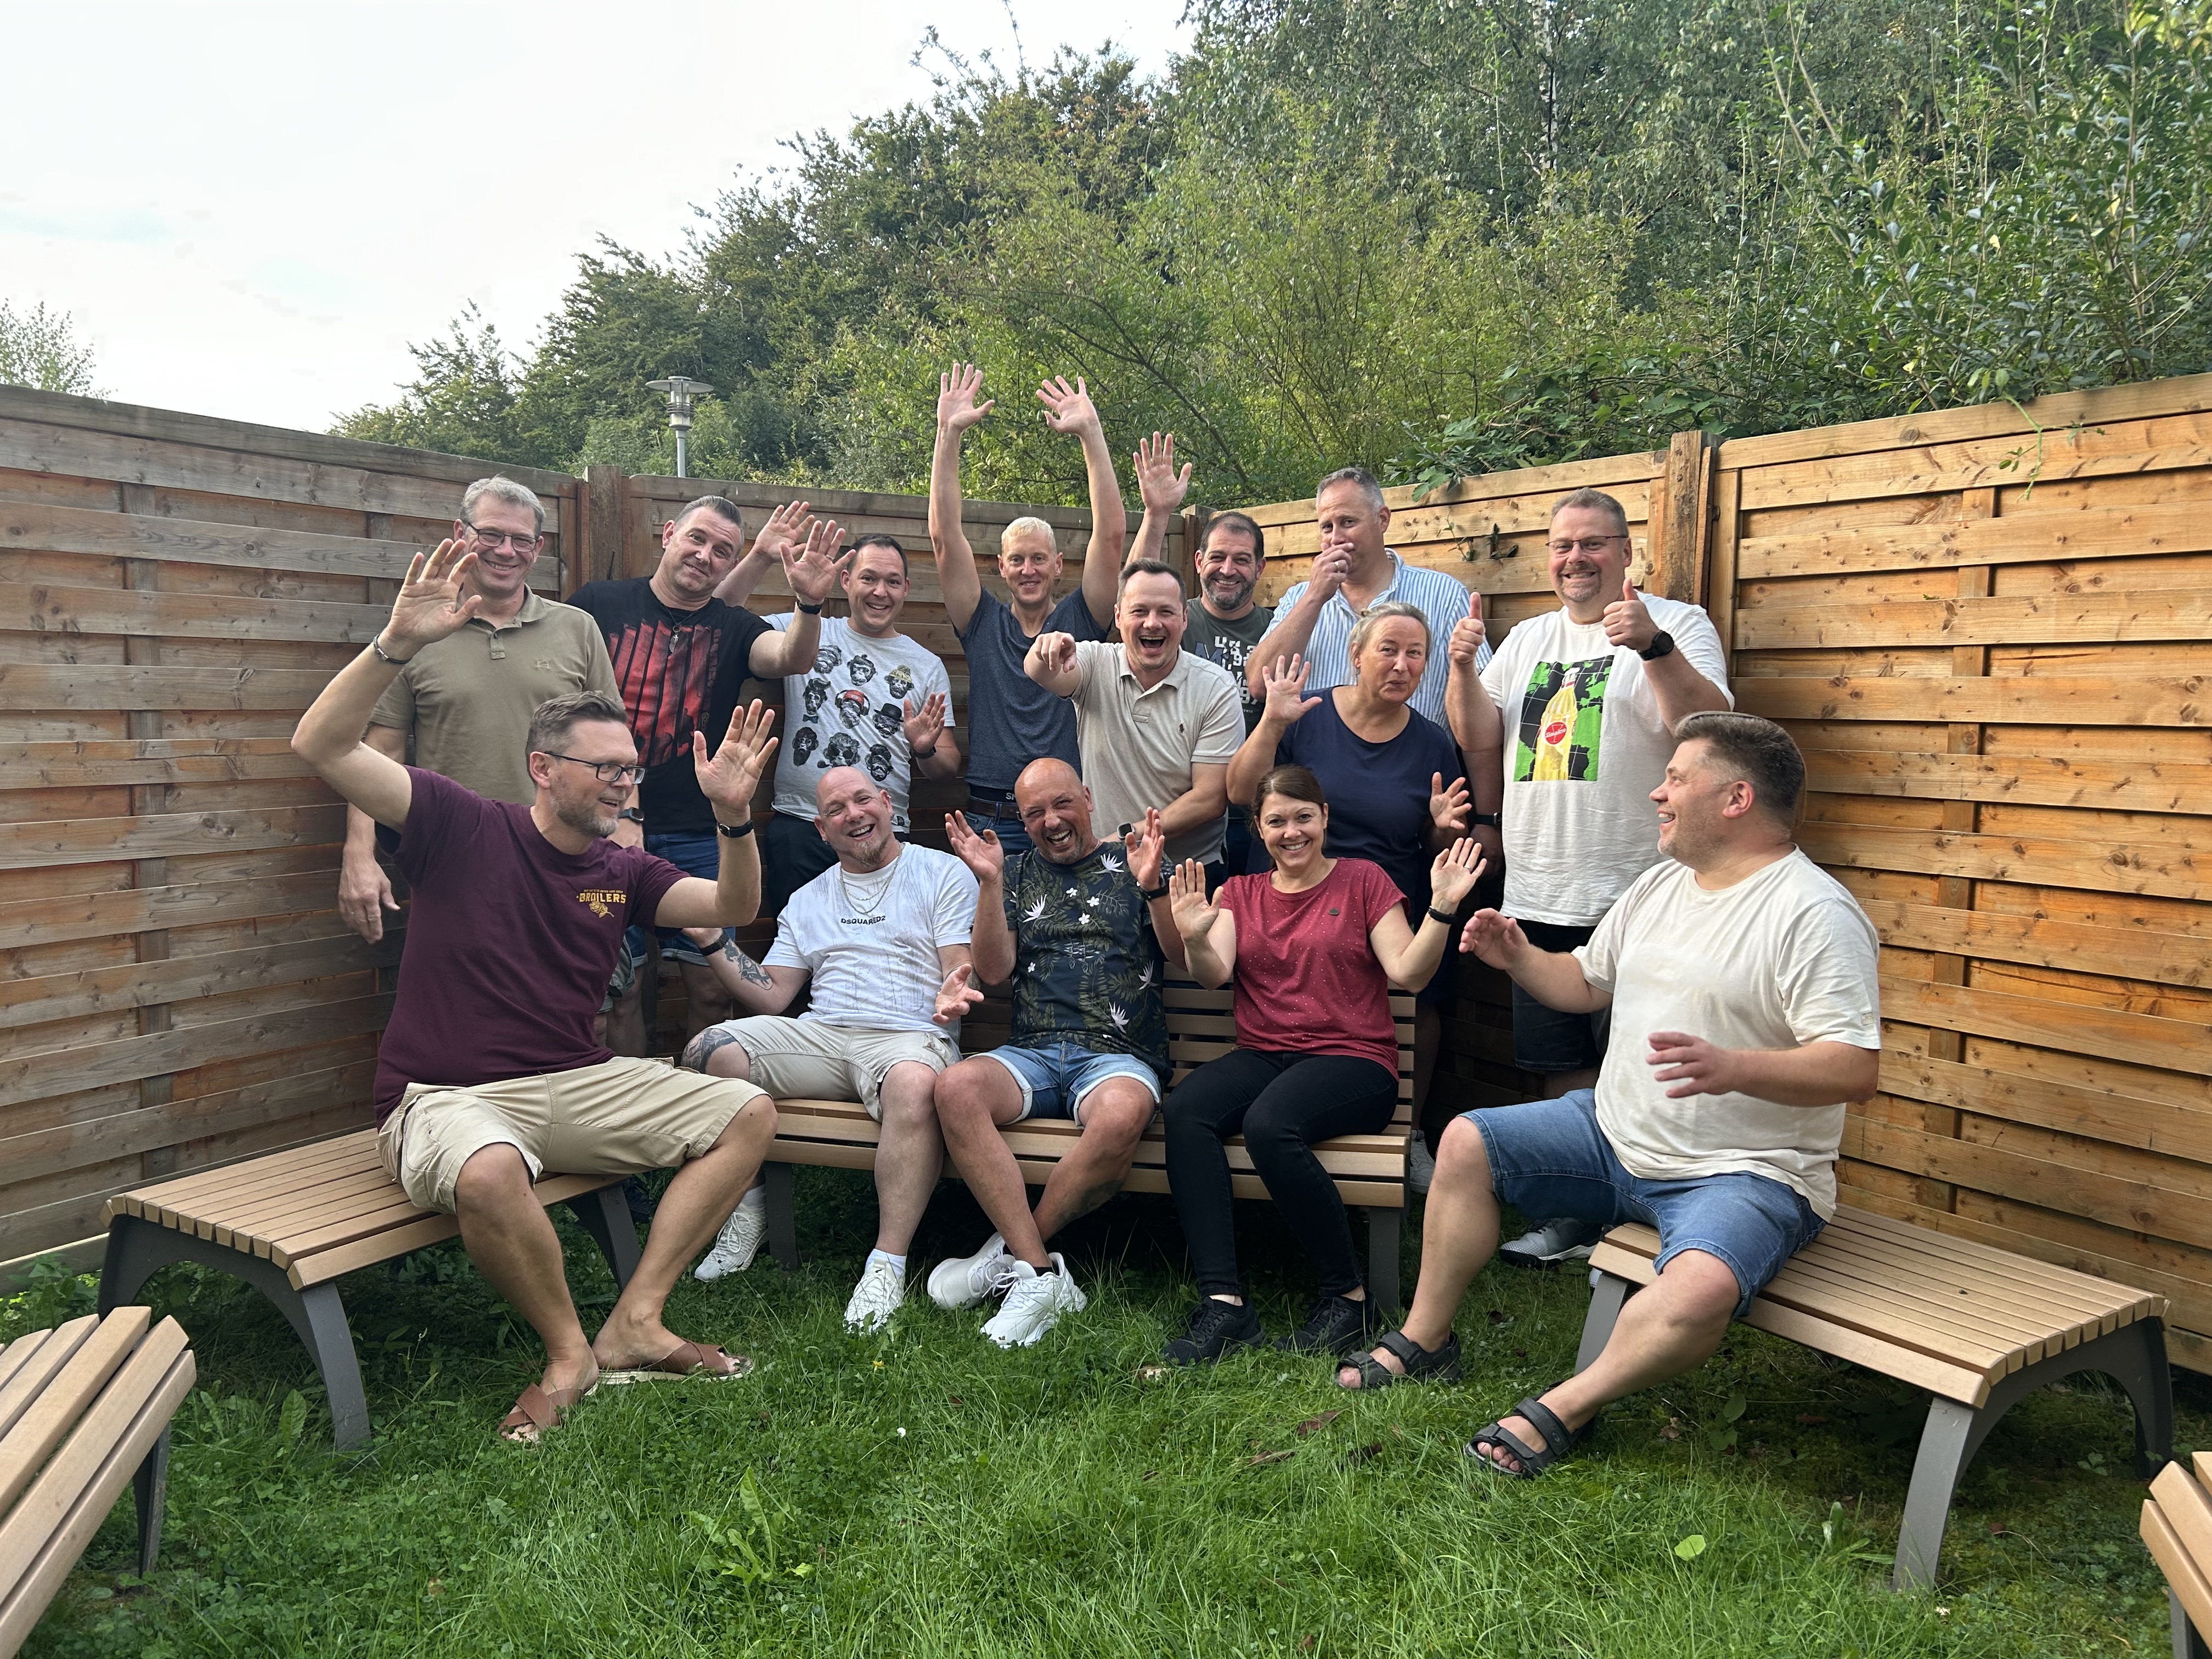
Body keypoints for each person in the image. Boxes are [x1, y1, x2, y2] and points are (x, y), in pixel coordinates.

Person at [290, 538, 783, 1442]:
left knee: (746, 1112)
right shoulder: (457, 823)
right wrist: (395, 645)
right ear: (544, 768)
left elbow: (731, 907)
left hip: (569, 1080)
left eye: (631, 769)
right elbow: (319, 744)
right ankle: (569, 1355)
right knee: (488, 1170)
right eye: (607, 769)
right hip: (444, 1095)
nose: (624, 784)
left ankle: (636, 1322)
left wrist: (732, 817)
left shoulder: (623, 869)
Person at [1336, 715, 1881, 1485]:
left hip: (1743, 1169)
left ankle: (1570, 1403)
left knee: (1702, 1287)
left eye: (1677, 778)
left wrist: (1736, 1067)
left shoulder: (1812, 913)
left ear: (1736, 798)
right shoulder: (1662, 883)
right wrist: (1519, 956)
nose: (1658, 792)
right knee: (1464, 1141)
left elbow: (1855, 1067)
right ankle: (1427, 1338)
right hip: (1612, 1134)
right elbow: (1585, 983)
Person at [1443, 486, 1732, 1266]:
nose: (1576, 558)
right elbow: (1479, 734)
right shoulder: (1528, 638)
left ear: (1627, 551)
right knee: (1558, 1067)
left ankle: (1652, 1212)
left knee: (1641, 1064)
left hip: (1642, 891)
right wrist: (1463, 668)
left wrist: (1653, 647)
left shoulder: (1677, 624)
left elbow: (1708, 729)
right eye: (1564, 545)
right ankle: (1573, 1218)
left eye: (1594, 542)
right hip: (1540, 887)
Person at [1158, 765, 1488, 1363]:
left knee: (1269, 1124)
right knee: (1186, 1111)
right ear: (1259, 829)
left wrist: (1441, 908)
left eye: (1303, 817)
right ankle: (1224, 1303)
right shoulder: (1241, 894)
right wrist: (1197, 938)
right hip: (1266, 1054)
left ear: (1325, 817)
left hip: (1355, 1062)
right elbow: (1214, 974)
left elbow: (1409, 973)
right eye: (1277, 821)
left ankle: (1347, 1297)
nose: (1292, 832)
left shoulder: (1363, 881)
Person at [680, 767, 980, 1333]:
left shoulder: (942, 873)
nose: (854, 815)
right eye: (836, 810)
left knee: (916, 1083)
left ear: (887, 803)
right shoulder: (807, 898)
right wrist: (714, 941)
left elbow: (957, 963)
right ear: (821, 829)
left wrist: (954, 989)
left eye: (863, 800)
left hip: (908, 1037)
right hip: (824, 1037)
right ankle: (748, 1205)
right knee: (710, 1048)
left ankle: (886, 1263)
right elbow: (773, 995)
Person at [569, 497, 847, 1047]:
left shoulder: (735, 625)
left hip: (700, 834)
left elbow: (790, 657)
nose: (705, 555)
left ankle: (702, 1090)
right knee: (621, 991)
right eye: (697, 538)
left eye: (723, 550)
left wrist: (809, 604)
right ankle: (636, 1095)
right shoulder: (599, 603)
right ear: (669, 534)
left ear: (731, 564)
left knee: (713, 988)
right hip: (604, 828)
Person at [924, 770, 1182, 1347]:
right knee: (955, 1088)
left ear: (1088, 799)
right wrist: (990, 882)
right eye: (1035, 813)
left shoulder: (1137, 862)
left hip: (1118, 1054)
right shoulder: (1015, 873)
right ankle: (1041, 1275)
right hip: (1033, 1052)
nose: (1052, 821)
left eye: (1062, 803)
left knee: (1120, 1115)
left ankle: (1007, 1256)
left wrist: (1155, 889)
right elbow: (994, 971)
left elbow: (1181, 955)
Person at [1227, 600, 1484, 1115]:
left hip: (1383, 906)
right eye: (1388, 650)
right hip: (1292, 900)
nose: (1402, 665)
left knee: (1419, 1005)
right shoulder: (1306, 714)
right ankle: (1283, 1108)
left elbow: (1434, 848)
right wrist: (1272, 723)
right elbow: (1240, 793)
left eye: (1416, 654)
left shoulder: (1432, 742)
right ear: (1356, 655)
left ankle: (1410, 1131)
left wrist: (1439, 827)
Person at [338, 476, 618, 944]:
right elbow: (380, 752)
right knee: (458, 984)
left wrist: (627, 827)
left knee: (577, 987)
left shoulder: (578, 629)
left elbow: (614, 750)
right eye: (491, 534)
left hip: (565, 854)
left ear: (538, 548)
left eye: (521, 540)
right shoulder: (415, 632)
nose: (506, 551)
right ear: (460, 533)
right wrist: (359, 853)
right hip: (451, 856)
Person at [930, 362, 1128, 855]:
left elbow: (1110, 537)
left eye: (1039, 559)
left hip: (1067, 816)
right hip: (992, 818)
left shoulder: (1082, 620)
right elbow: (944, 539)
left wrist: (1091, 432)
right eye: (1017, 560)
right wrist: (948, 434)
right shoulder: (981, 622)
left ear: (1058, 565)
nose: (1029, 569)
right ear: (1001, 567)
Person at [718, 531, 960, 914]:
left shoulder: (927, 665)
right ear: (845, 580)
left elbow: (946, 768)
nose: (880, 592)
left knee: (882, 944)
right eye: (869, 578)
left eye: (892, 582)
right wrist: (761, 556)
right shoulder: (804, 629)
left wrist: (925, 749)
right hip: (803, 825)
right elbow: (718, 617)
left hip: (881, 831)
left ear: (906, 589)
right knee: (799, 941)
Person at [1024, 561, 1244, 882]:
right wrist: (1045, 649)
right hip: (1107, 868)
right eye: (1139, 611)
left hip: (1188, 872)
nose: (1152, 623)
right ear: (1118, 617)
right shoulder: (1096, 663)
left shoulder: (1216, 688)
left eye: (1166, 612)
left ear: (1185, 618)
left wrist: (1126, 836)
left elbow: (1209, 800)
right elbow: (1040, 673)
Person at [1246, 466, 1494, 740]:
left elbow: (1482, 704)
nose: (1336, 538)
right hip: (1310, 766)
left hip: (1413, 762)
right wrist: (1315, 597)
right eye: (1327, 527)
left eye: (1348, 522)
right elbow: (1259, 685)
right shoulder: (1300, 598)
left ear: (1382, 519)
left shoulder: (1444, 595)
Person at [1128, 431, 1277, 878]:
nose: (1227, 570)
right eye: (1217, 558)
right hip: (1182, 808)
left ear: (1260, 567)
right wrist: (1157, 514)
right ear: (1198, 562)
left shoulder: (1277, 630)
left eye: (1242, 560)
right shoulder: (1173, 621)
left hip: (1256, 812)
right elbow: (1134, 589)